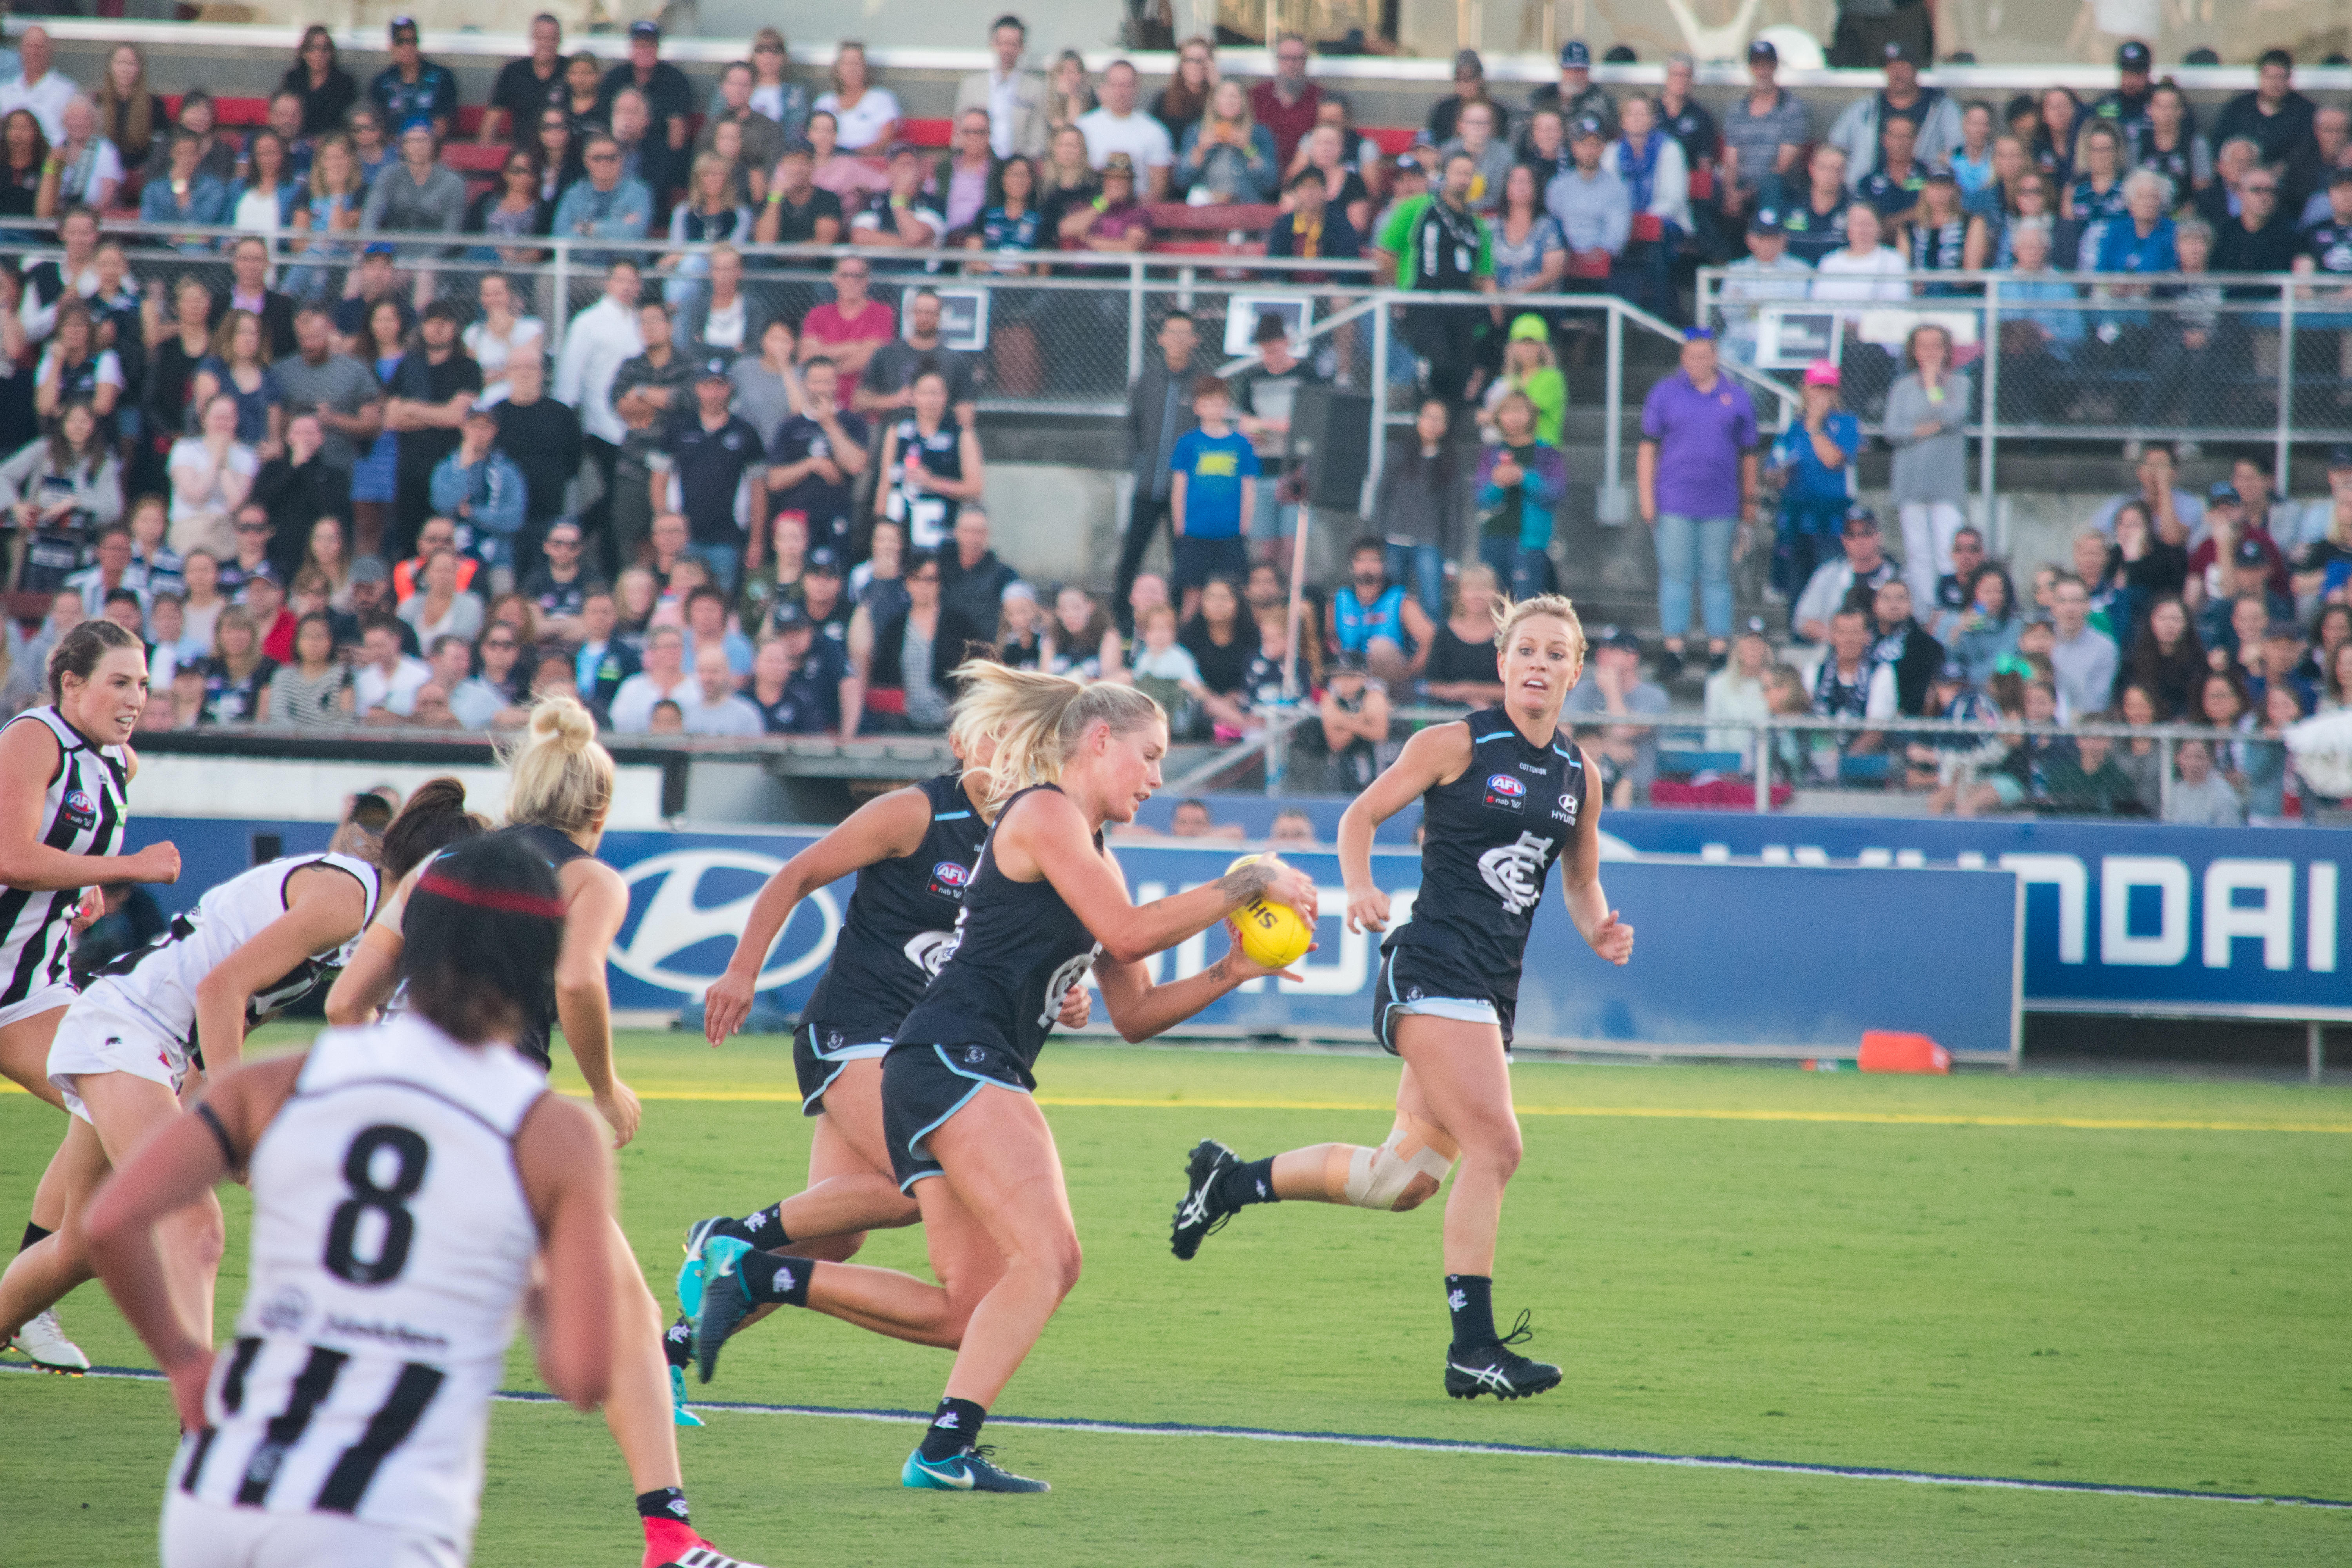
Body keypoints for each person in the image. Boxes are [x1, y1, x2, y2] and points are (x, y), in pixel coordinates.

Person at [690, 663, 1316, 1494]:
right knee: (1052, 1257)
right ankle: (933, 1437)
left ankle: (768, 1277)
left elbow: (1135, 1012)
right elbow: (1127, 935)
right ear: (1099, 742)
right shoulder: (1046, 810)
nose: (1159, 778)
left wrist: (1232, 969)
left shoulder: (1090, 846)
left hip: (943, 1063)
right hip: (957, 1057)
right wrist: (1247, 876)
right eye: (1151, 756)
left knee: (968, 1306)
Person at [1172, 592, 1626, 1404]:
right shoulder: (1454, 741)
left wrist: (1599, 929)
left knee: (1401, 1179)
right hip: (1433, 969)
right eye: (1527, 648)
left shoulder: (1578, 774)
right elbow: (1361, 813)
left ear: (1576, 670)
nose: (1540, 663)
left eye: (1557, 653)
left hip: (1490, 990)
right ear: (1502, 661)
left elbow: (1582, 880)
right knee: (1499, 1147)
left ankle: (1226, 1182)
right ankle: (1474, 1349)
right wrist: (1360, 885)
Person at [325, 719, 760, 1565]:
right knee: (628, 1316)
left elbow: (346, 1003)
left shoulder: (434, 868)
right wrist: (604, 1088)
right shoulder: (589, 876)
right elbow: (575, 978)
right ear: (597, 808)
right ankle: (671, 1538)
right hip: (494, 1115)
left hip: (391, 1105)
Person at [2, 788, 445, 1394]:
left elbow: (237, 1014)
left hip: (150, 1042)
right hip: (128, 1028)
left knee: (82, 1245)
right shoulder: (347, 896)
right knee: (195, 1222)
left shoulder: (360, 924)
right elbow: (219, 992)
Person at [0, 622, 180, 1374]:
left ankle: (30, 1299)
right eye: (119, 681)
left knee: (108, 1103)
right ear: (70, 683)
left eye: (142, 683)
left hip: (28, 987)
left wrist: (88, 892)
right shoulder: (32, 737)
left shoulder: (116, 762)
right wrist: (125, 865)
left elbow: (54, 862)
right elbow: (10, 854)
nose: (135, 697)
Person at [1639, 330, 1757, 677]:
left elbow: (1749, 454)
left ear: (1715, 356)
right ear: (1683, 357)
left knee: (1717, 575)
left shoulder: (1736, 397)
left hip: (1721, 503)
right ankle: (1674, 648)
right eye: (1692, 355)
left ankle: (1719, 649)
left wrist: (1749, 501)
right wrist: (1647, 498)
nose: (1698, 362)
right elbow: (1648, 448)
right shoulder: (1664, 393)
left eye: (1705, 355)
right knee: (1675, 574)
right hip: (1674, 499)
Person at [1378, 151, 1497, 405]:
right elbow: (1385, 253)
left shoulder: (1478, 225)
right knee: (1436, 364)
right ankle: (1423, 427)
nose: (1463, 180)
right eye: (1458, 173)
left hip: (1462, 309)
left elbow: (1484, 275)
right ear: (1444, 176)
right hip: (1424, 305)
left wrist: (1493, 306)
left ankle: (1445, 438)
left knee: (1461, 375)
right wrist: (1397, 292)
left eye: (1468, 174)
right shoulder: (1416, 208)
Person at [650, 359, 764, 597]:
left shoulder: (746, 432)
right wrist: (666, 529)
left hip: (728, 538)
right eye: (707, 386)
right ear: (697, 388)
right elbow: (659, 479)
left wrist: (756, 541)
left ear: (729, 388)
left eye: (719, 386)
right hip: (685, 539)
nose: (713, 393)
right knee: (681, 601)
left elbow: (758, 490)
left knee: (720, 603)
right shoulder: (679, 428)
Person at [1115, 312, 1200, 624]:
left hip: (1186, 493)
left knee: (1183, 560)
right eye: (1172, 332)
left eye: (1185, 333)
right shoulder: (1147, 380)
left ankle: (1176, 621)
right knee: (1132, 553)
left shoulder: (1202, 382)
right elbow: (1132, 427)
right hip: (1148, 485)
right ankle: (1122, 617)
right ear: (1161, 338)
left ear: (1195, 340)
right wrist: (1137, 463)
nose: (1178, 339)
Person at [1881, 323, 1972, 612]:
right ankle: (1924, 611)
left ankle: (1951, 606)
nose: (1931, 352)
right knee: (1918, 552)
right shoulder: (1902, 387)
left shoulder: (1960, 384)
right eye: (1924, 346)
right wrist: (1922, 431)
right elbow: (1892, 431)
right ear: (1914, 351)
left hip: (1946, 483)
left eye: (1937, 345)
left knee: (1949, 550)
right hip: (1911, 482)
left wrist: (1934, 387)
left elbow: (1953, 415)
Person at [1768, 361, 1860, 618]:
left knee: (1829, 577)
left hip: (1831, 519)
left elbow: (1833, 460)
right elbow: (1774, 471)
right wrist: (1780, 473)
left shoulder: (1845, 423)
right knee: (1796, 581)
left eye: (1828, 390)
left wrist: (1816, 426)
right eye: (1817, 389)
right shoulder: (1792, 428)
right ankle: (1798, 634)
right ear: (1806, 390)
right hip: (1798, 515)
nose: (1822, 395)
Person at [873, 369, 982, 557]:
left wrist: (933, 483)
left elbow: (975, 488)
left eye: (936, 394)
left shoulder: (961, 435)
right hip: (900, 527)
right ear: (914, 397)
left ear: (945, 397)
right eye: (924, 393)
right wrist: (880, 525)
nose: (930, 400)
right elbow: (885, 482)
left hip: (940, 529)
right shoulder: (898, 431)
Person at [1827, 39, 1962, 191]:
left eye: (1904, 67)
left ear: (1916, 70)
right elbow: (1836, 146)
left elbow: (1959, 152)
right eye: (1892, 67)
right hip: (1868, 196)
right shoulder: (1864, 109)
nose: (1898, 74)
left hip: (1922, 195)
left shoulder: (1942, 109)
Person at [1372, 398, 1460, 619]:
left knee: (1432, 605)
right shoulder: (1398, 452)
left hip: (1430, 541)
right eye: (1428, 417)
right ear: (1418, 420)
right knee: (1391, 603)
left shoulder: (1450, 460)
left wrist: (1451, 558)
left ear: (1446, 426)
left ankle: (1432, 652)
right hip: (1394, 538)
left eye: (1438, 419)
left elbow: (1453, 511)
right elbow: (1382, 496)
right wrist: (1376, 538)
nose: (1432, 423)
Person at [1720, 39, 1808, 221]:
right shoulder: (1737, 109)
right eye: (1757, 65)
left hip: (1778, 187)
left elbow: (1783, 165)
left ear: (1776, 67)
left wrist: (1746, 194)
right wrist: (1731, 193)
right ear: (1750, 68)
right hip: (1743, 185)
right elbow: (1731, 159)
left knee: (1772, 184)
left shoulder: (1793, 108)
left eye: (1768, 65)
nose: (1762, 72)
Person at [816, 40, 904, 157]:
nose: (851, 69)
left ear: (866, 68)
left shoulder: (882, 98)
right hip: (830, 164)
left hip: (867, 163)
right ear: (837, 69)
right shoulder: (824, 102)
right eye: (846, 64)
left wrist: (850, 155)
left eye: (857, 64)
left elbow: (885, 141)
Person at [1528, 38, 1614, 136]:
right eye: (1571, 69)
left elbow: (1612, 138)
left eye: (1581, 70)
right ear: (1562, 69)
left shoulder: (1604, 101)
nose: (1576, 75)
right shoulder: (1541, 97)